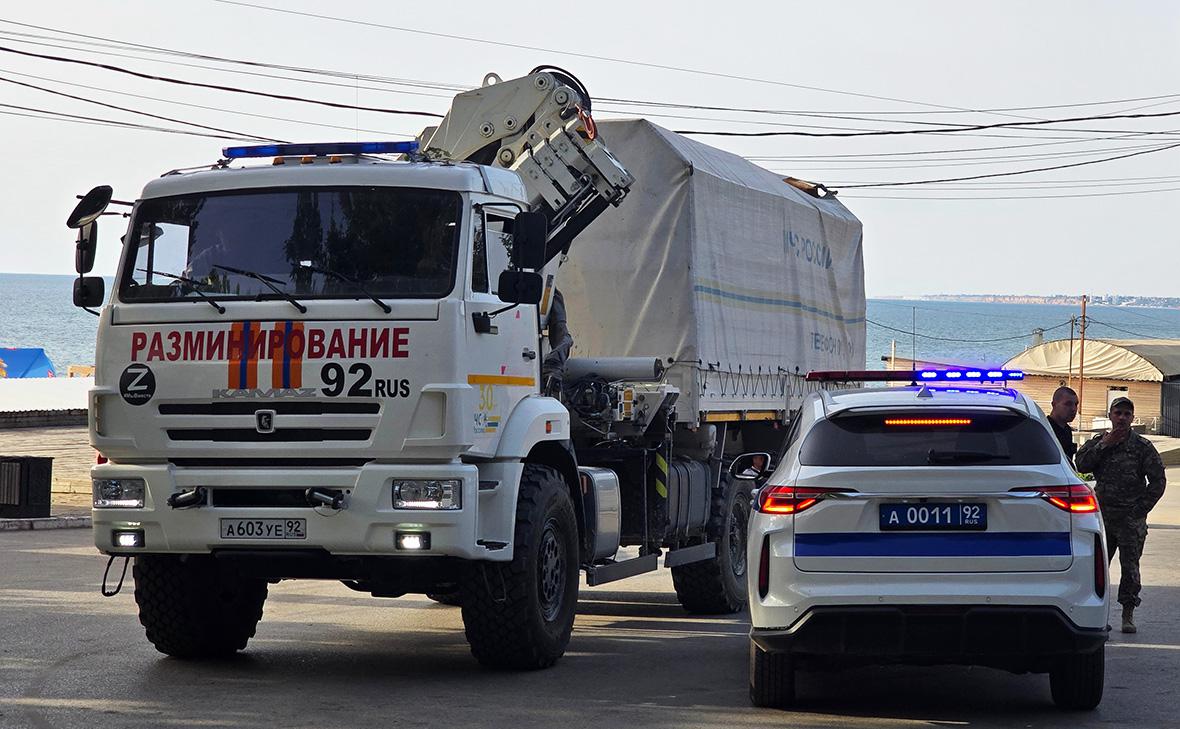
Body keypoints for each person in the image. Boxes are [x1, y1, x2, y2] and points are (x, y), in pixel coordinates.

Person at [1075, 396, 1166, 634]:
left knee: (1130, 568)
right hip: (1102, 518)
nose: (1122, 418)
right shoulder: (1099, 442)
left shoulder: (1142, 447)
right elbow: (1081, 465)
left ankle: (1128, 613)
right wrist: (1105, 444)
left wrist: (1140, 511)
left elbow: (1158, 481)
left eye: (1127, 414)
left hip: (1129, 519)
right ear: (1110, 416)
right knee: (1097, 568)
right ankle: (1098, 614)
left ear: (1132, 418)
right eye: (1118, 413)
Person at [1047, 386, 1079, 467]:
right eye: (1068, 404)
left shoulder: (1066, 430)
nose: (1073, 409)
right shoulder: (1045, 429)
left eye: (1076, 404)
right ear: (1054, 404)